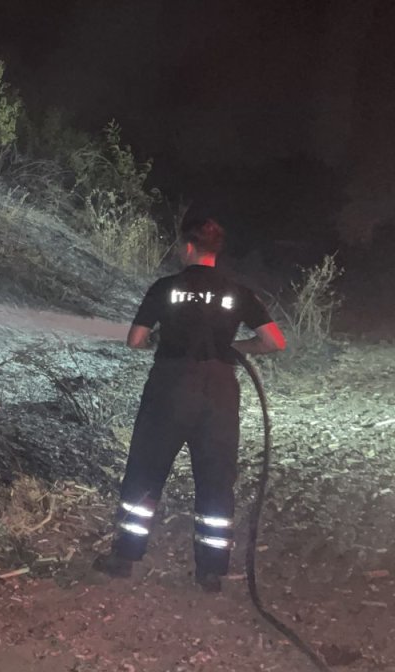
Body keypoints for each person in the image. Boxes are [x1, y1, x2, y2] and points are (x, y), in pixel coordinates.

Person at [94, 218, 286, 592]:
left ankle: (124, 558)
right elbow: (274, 341)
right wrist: (233, 349)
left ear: (187, 248)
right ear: (217, 250)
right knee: (216, 480)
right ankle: (211, 572)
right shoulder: (237, 292)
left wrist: (159, 342)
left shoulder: (167, 287)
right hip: (219, 391)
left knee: (145, 472)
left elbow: (135, 339)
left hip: (169, 386)